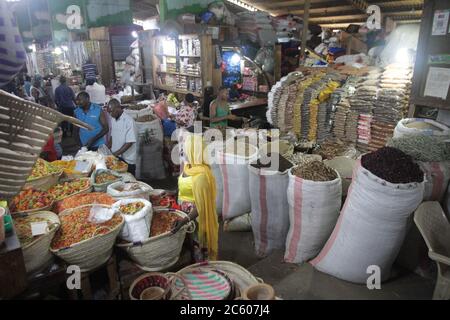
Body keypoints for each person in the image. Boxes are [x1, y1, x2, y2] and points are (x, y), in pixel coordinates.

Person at [176, 133, 219, 262]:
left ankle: (203, 272)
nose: (183, 151)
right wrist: (170, 192)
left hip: (198, 220)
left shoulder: (201, 176)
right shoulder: (189, 167)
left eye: (187, 148)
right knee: (190, 245)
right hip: (185, 215)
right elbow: (182, 185)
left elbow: (202, 207)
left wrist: (185, 220)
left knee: (198, 247)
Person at [107, 99, 138, 176]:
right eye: (109, 112)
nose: (110, 114)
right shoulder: (113, 119)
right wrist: (108, 147)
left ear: (118, 108)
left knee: (129, 179)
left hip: (128, 159)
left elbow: (129, 142)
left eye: (111, 111)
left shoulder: (129, 121)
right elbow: (112, 135)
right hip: (117, 156)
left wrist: (115, 154)